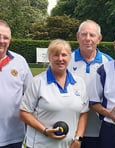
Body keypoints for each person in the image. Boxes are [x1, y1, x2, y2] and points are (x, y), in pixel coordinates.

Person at [19, 39, 89, 148]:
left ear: (69, 57)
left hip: (68, 145)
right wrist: (45, 130)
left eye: (64, 55)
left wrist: (78, 139)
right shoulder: (37, 82)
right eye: (55, 55)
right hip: (40, 145)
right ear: (49, 57)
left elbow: (83, 113)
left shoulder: (79, 83)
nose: (60, 59)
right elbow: (24, 113)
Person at [68, 19, 112, 148]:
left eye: (92, 35)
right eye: (84, 34)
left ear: (99, 38)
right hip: (71, 130)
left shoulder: (108, 63)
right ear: (77, 37)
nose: (88, 38)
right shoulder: (66, 60)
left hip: (99, 130)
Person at [0, 20, 33, 148]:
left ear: (10, 40)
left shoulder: (20, 61)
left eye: (5, 37)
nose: (2, 41)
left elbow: (31, 94)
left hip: (13, 136)